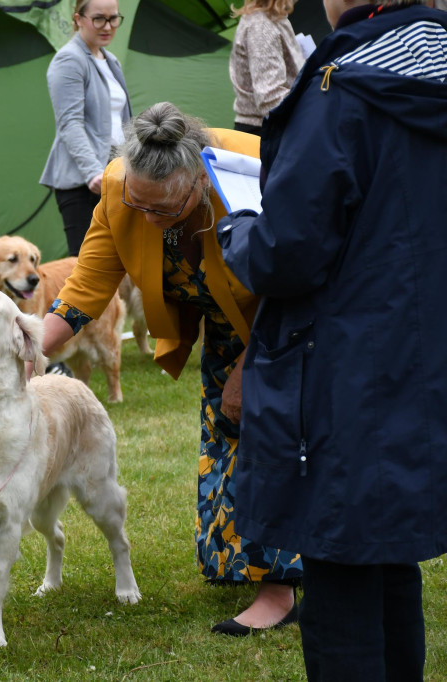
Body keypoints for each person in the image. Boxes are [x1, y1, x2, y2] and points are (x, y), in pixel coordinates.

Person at [220, 1, 446, 677]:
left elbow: (288, 250)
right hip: (424, 353)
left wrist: (240, 232)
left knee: (345, 566)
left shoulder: (341, 87)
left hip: (347, 365)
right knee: (389, 552)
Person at [41, 102, 301, 635]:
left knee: (277, 433)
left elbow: (297, 287)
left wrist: (253, 370)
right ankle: (243, 564)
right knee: (227, 427)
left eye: (162, 210)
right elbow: (83, 292)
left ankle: (281, 591)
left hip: (294, 319)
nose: (147, 218)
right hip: (229, 323)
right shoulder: (121, 190)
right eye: (138, 204)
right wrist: (23, 350)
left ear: (198, 184)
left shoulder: (252, 177)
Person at [40, 0, 131, 257]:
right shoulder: (68, 60)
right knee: (85, 265)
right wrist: (93, 172)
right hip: (83, 182)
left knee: (118, 262)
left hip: (115, 175)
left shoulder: (111, 60)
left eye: (113, 18)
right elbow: (70, 123)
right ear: (78, 19)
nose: (108, 26)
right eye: (99, 18)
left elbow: (121, 123)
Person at [228, 0, 305, 135]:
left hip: (276, 127)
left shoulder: (275, 18)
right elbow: (269, 98)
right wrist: (315, 106)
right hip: (263, 132)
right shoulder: (261, 26)